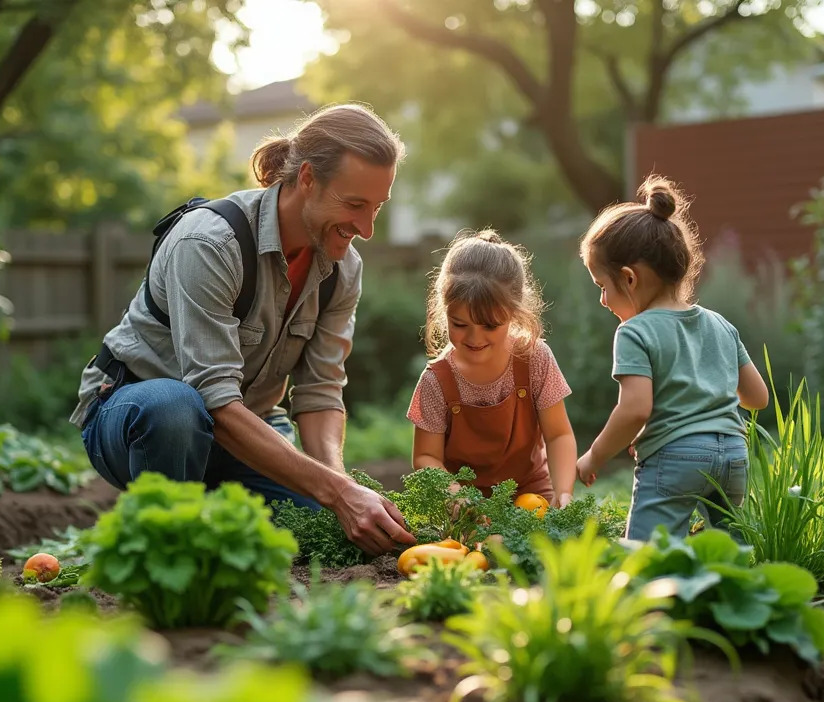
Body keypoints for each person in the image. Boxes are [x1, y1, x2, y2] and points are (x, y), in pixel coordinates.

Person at [71, 103, 416, 556]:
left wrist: (338, 487)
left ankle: (209, 515)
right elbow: (212, 397)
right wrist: (336, 493)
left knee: (321, 533)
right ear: (307, 178)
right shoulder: (211, 243)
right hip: (139, 417)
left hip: (248, 432)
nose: (368, 229)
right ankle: (164, 540)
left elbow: (320, 393)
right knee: (176, 408)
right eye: (354, 205)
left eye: (377, 207)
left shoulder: (342, 269)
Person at [575, 175, 770, 540]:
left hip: (676, 460)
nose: (602, 301)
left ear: (629, 279)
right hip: (732, 454)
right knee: (734, 549)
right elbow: (757, 398)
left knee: (647, 553)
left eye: (603, 287)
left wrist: (594, 457)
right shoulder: (720, 324)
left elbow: (635, 410)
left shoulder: (634, 331)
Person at [407, 229, 578, 505]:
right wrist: (458, 498)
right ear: (444, 312)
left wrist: (564, 493)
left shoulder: (535, 358)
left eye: (490, 326)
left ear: (514, 312)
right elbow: (426, 457)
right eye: (460, 325)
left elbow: (558, 434)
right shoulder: (436, 381)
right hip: (465, 505)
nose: (474, 339)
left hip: (531, 494)